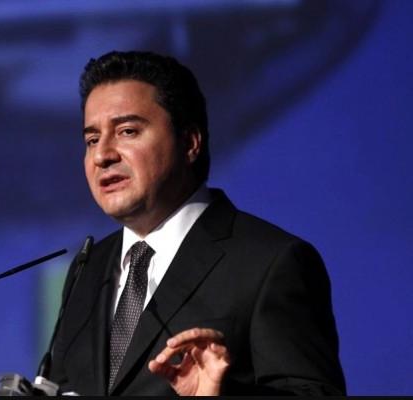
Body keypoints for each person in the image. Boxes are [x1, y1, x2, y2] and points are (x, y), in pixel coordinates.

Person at [43, 50, 346, 395]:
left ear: (189, 143)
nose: (102, 155)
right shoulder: (87, 269)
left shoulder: (271, 263)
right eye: (92, 140)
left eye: (127, 131)